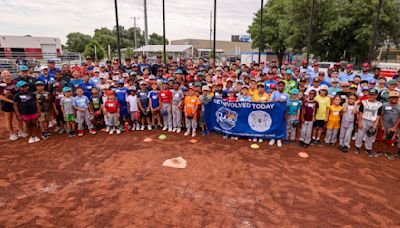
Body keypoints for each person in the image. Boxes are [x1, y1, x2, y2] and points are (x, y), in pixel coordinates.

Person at [354, 88, 382, 157]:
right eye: (370, 94)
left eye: (374, 95)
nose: (372, 96)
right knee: (360, 134)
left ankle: (368, 148)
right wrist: (360, 122)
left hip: (372, 121)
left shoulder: (379, 104)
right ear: (368, 95)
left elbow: (378, 115)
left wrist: (375, 125)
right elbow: (360, 112)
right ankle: (357, 147)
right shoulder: (364, 102)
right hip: (364, 120)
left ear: (376, 95)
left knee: (370, 135)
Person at [376, 91, 400, 160]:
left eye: (396, 97)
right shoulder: (384, 105)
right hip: (384, 124)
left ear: (398, 98)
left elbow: (399, 118)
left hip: (392, 126)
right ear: (389, 98)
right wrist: (382, 125)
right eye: (392, 97)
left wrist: (394, 127)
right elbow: (380, 115)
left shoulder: (399, 106)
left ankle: (388, 151)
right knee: (380, 139)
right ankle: (379, 150)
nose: (394, 99)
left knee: (390, 140)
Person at [0, 70, 23, 140]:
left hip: (16, 103)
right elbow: (0, 96)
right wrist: (10, 100)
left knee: (19, 118)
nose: (6, 74)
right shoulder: (0, 84)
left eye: (7, 73)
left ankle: (21, 131)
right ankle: (12, 134)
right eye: (4, 73)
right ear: (1, 75)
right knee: (8, 120)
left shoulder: (15, 82)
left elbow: (19, 91)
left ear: (10, 74)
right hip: (7, 103)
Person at [269, 81, 288, 147]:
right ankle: (273, 138)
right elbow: (270, 102)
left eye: (282, 85)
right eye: (279, 85)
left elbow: (287, 105)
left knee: (280, 125)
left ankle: (279, 138)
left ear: (284, 87)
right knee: (273, 124)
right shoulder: (274, 93)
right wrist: (277, 101)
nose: (280, 87)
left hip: (282, 113)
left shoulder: (286, 95)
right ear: (277, 86)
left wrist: (286, 114)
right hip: (274, 112)